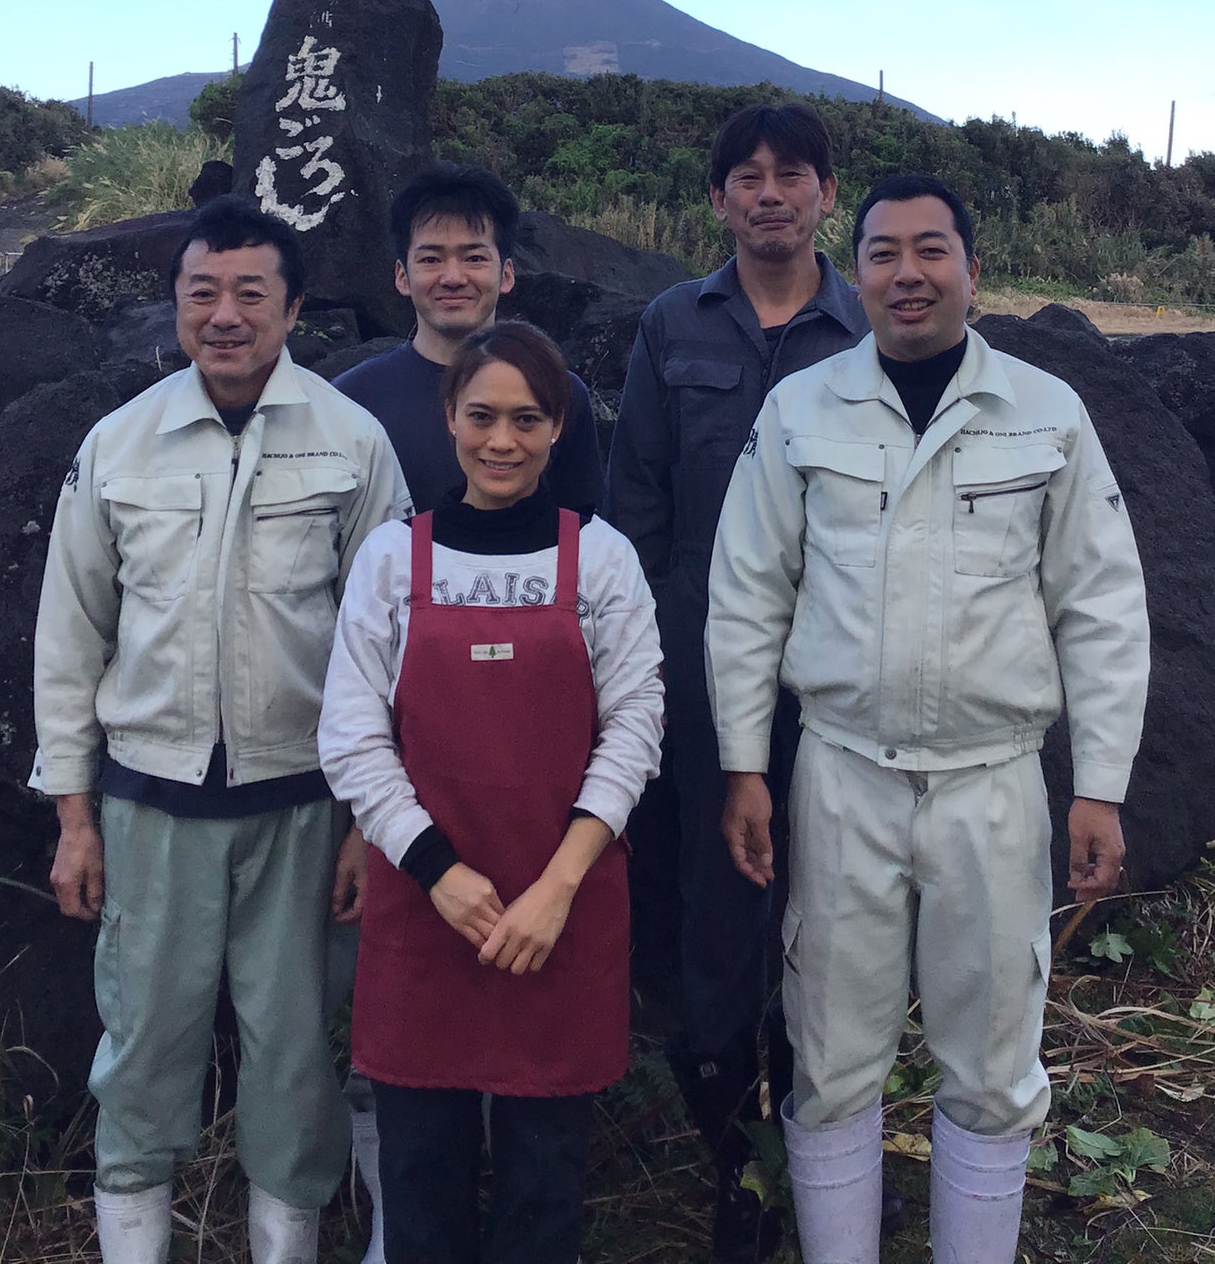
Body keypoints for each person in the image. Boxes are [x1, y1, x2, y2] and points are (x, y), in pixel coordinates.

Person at [707, 173, 1152, 1264]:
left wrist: (1100, 781)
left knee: (995, 1061)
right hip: (842, 771)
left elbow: (1099, 602)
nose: (907, 273)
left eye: (931, 249)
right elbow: (746, 591)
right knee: (832, 1056)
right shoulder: (801, 409)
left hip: (992, 780)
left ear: (971, 267)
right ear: (852, 270)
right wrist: (741, 763)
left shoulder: (1046, 412)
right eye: (883, 252)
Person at [31, 196, 410, 1264]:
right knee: (145, 1051)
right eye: (204, 290)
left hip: (303, 804)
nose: (226, 313)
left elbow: (393, 643)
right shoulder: (120, 443)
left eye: (252, 292)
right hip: (148, 802)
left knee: (294, 1059)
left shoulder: (352, 439)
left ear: (294, 308)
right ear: (177, 303)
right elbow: (71, 632)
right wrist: (74, 810)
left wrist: (368, 826)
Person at [319, 321, 664, 1264]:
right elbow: (351, 737)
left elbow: (635, 731)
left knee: (544, 1188)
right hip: (424, 912)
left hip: (564, 914)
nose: (501, 440)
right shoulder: (393, 560)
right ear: (449, 420)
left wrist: (557, 888)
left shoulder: (600, 560)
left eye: (526, 418)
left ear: (559, 429)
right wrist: (438, 872)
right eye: (481, 417)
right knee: (420, 1180)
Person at [603, 101, 868, 1261]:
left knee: (837, 922)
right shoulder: (673, 325)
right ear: (718, 199)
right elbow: (639, 512)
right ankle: (738, 1165)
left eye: (792, 173)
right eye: (747, 175)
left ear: (824, 194)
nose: (770, 192)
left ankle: (832, 1154)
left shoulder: (868, 326)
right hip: (711, 687)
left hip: (847, 685)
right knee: (718, 924)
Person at [334, 162, 603, 514]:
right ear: (402, 276)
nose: (453, 277)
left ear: (506, 274)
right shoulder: (351, 400)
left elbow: (583, 532)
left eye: (474, 258)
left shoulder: (559, 393)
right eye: (431, 259)